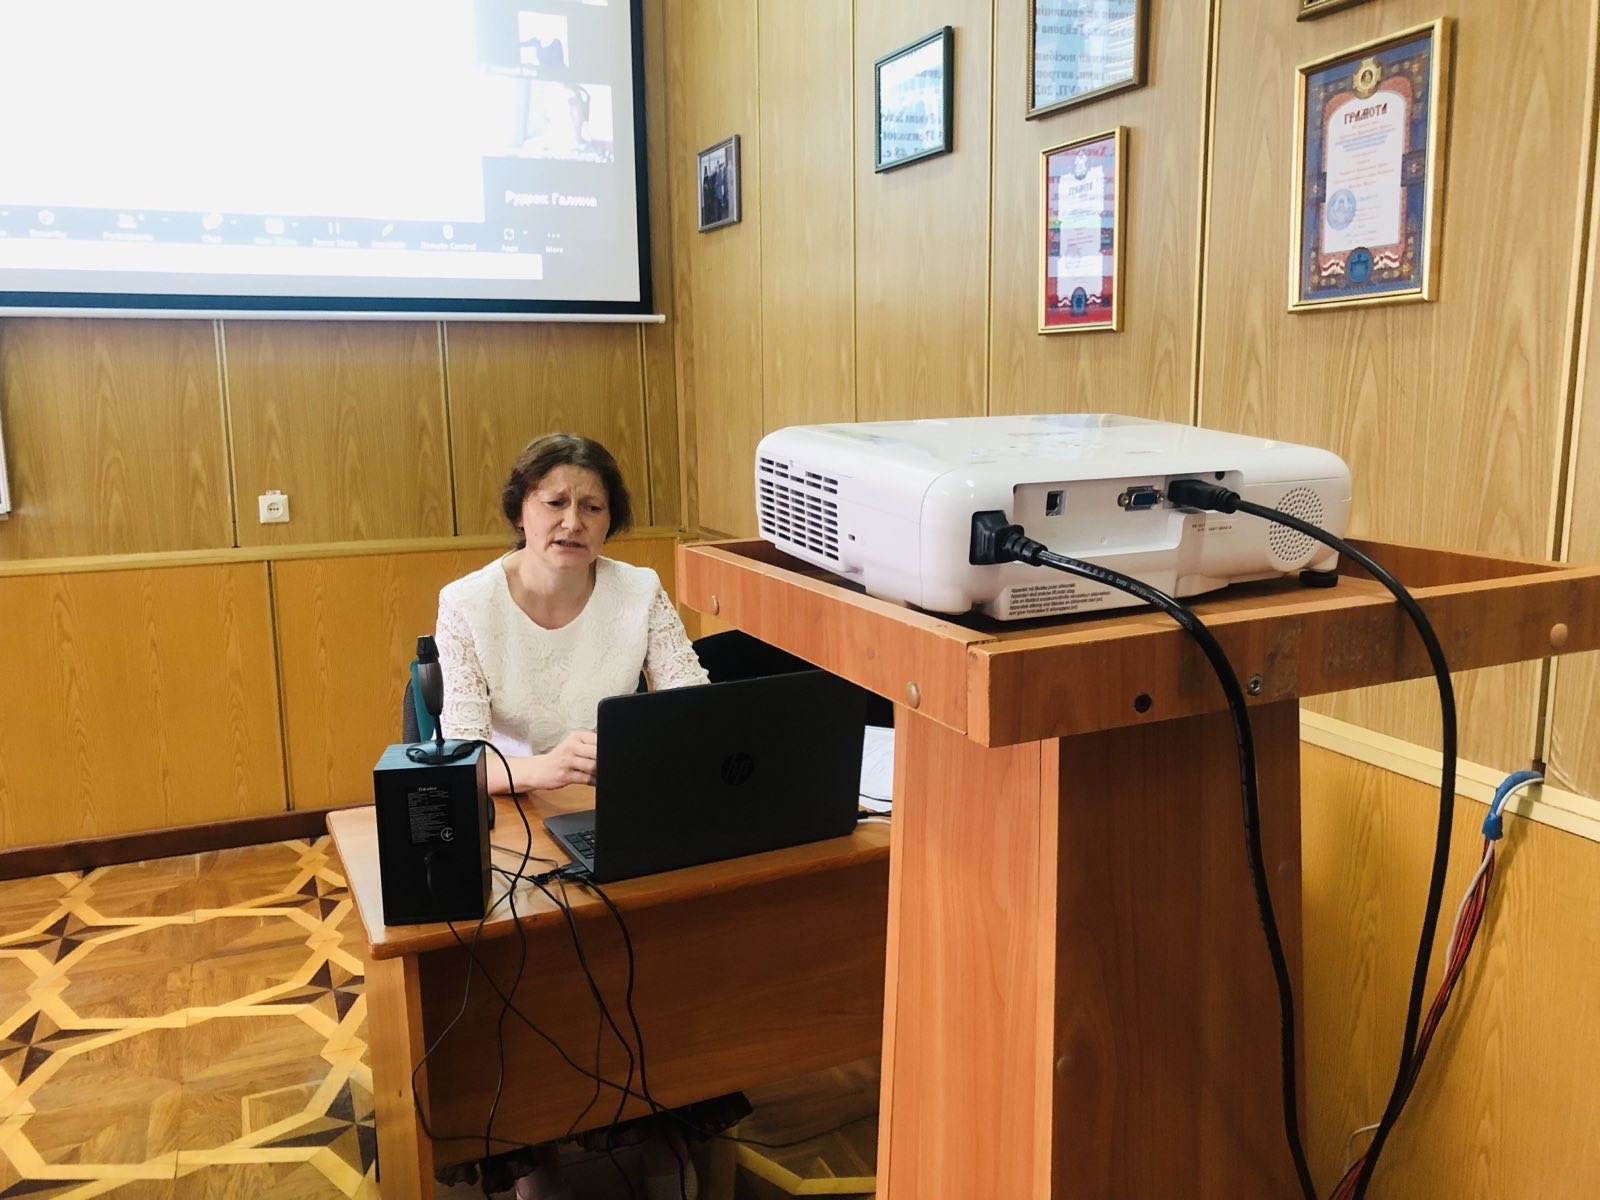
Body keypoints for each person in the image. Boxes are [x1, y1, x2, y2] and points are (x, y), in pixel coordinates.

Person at [433, 433, 743, 1198]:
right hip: (517, 814)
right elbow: (459, 754)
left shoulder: (639, 590)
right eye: (555, 502)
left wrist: (644, 753)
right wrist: (541, 768)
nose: (572, 521)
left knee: (676, 940)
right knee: (529, 964)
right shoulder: (467, 603)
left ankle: (667, 1119)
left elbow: (694, 708)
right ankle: (532, 1147)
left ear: (611, 521)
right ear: (522, 510)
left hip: (620, 804)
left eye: (593, 507)